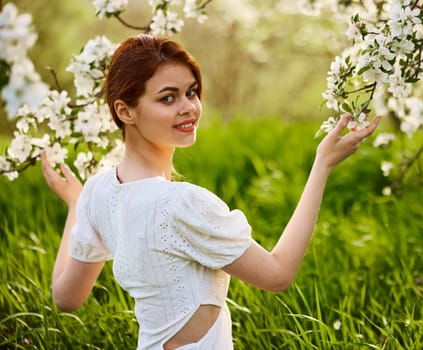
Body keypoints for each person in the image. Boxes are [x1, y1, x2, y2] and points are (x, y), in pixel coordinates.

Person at [41, 34, 380, 350]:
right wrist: (322, 165)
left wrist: (75, 204)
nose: (189, 107)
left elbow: (65, 297)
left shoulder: (97, 192)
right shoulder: (181, 204)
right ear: (125, 111)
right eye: (168, 98)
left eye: (191, 92)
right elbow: (277, 275)